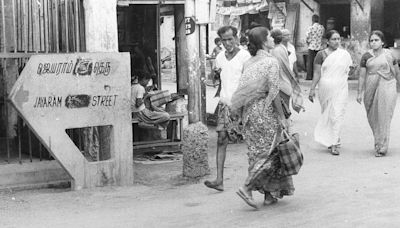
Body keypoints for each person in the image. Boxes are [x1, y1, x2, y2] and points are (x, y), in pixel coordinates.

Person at [230, 26, 293, 209]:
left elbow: (243, 93)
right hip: (265, 112)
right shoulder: (271, 62)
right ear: (264, 41)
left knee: (258, 153)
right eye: (270, 37)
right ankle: (247, 187)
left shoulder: (248, 63)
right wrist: (282, 118)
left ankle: (269, 195)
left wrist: (242, 117)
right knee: (271, 154)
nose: (273, 39)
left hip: (250, 113)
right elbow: (273, 93)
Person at [204, 26, 251, 192]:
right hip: (225, 104)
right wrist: (215, 75)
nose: (228, 43)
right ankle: (219, 180)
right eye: (224, 40)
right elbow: (218, 79)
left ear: (236, 38)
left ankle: (254, 183)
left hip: (242, 104)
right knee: (221, 139)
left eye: (231, 39)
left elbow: (249, 82)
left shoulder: (245, 56)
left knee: (251, 143)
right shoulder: (219, 57)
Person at [308, 30, 352, 155]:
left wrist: (351, 70)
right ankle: (332, 138)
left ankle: (334, 143)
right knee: (328, 114)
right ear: (327, 41)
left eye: (338, 39)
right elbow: (317, 73)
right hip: (325, 87)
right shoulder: (320, 55)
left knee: (336, 114)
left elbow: (348, 71)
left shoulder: (344, 54)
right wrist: (312, 89)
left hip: (341, 86)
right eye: (334, 39)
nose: (337, 41)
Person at [357, 30, 400, 157]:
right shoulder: (366, 56)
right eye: (371, 40)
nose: (373, 43)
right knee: (373, 116)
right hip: (371, 85)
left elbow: (397, 72)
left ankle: (382, 146)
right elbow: (361, 76)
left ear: (382, 42)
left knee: (384, 116)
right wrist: (359, 92)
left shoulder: (390, 55)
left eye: (376, 40)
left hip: (388, 85)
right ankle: (378, 140)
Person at [270, 28, 304, 118]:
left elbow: (278, 68)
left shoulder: (277, 50)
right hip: (285, 82)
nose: (289, 37)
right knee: (283, 112)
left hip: (281, 84)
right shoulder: (282, 48)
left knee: (281, 114)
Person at [305, 14, 325, 80]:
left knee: (310, 62)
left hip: (311, 47)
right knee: (319, 62)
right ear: (318, 20)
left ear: (312, 20)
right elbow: (323, 36)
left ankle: (309, 76)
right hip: (319, 47)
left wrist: (308, 42)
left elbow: (307, 37)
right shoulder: (322, 27)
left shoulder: (310, 28)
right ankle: (319, 76)